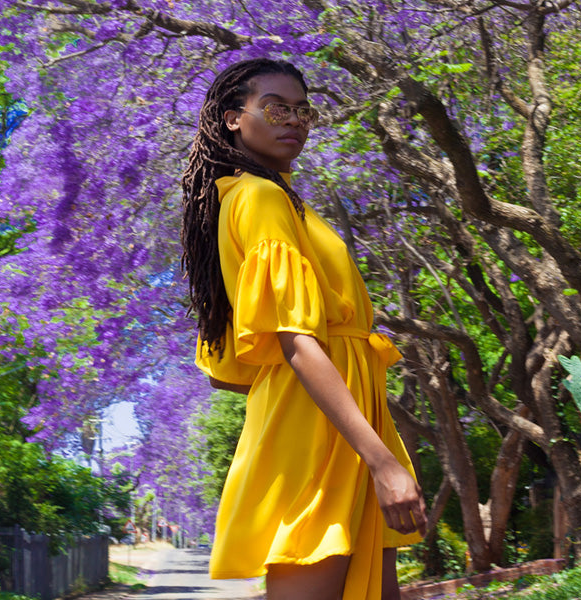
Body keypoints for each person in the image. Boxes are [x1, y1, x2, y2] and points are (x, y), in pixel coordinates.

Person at [180, 58, 427, 600]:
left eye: (302, 110)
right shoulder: (260, 197)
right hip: (323, 429)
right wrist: (383, 462)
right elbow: (294, 341)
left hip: (337, 416)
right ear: (231, 119)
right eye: (275, 107)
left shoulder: (275, 198)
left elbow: (236, 370)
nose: (293, 120)